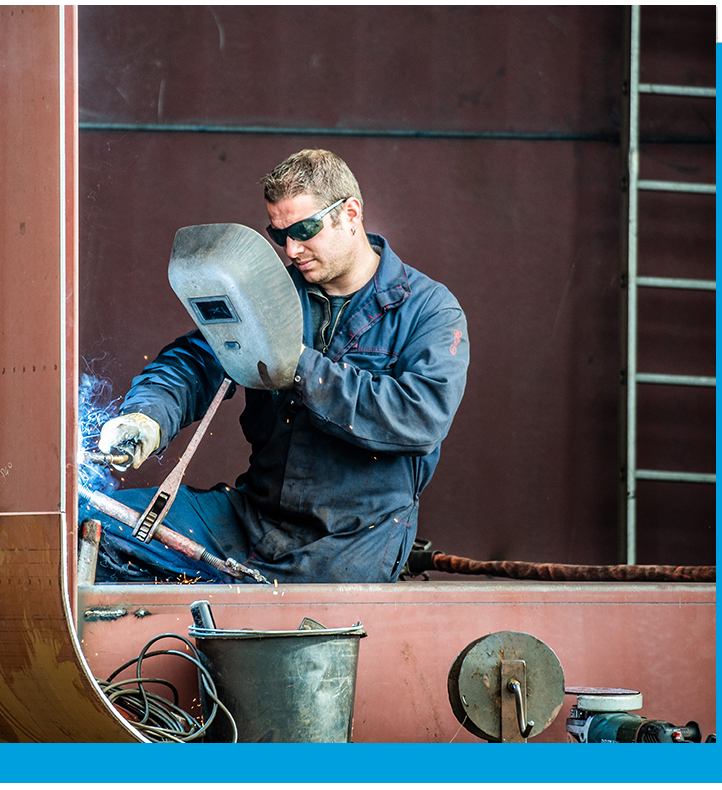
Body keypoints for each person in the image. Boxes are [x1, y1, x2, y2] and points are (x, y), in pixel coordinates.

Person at [85, 148, 468, 584]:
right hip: (253, 519)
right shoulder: (270, 295)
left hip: (351, 541)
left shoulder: (430, 311)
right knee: (92, 525)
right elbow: (195, 361)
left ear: (351, 214)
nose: (291, 248)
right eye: (278, 232)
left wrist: (302, 369)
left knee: (282, 624)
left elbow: (420, 416)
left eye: (304, 230)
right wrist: (148, 415)